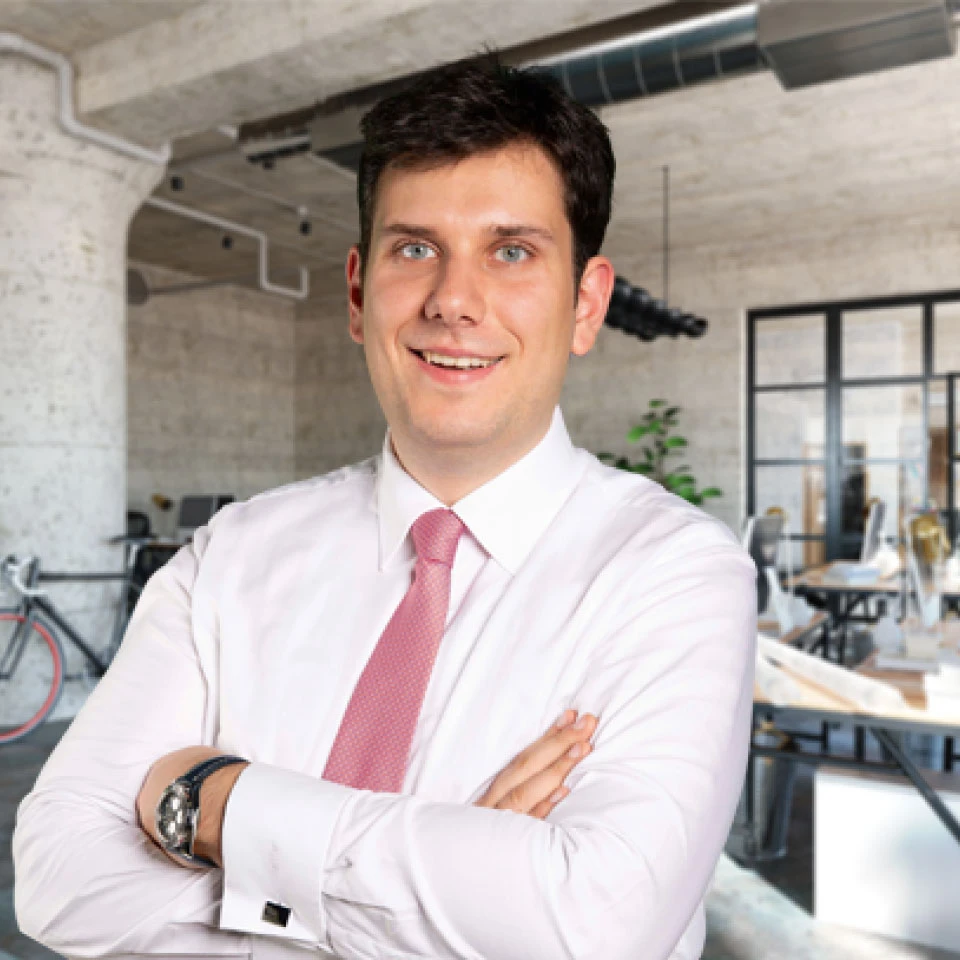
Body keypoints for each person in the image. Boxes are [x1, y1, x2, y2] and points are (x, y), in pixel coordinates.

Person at [13, 54, 756, 960]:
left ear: (586, 304)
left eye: (511, 252)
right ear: (360, 291)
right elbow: (58, 878)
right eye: (416, 249)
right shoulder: (231, 555)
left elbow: (596, 928)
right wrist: (452, 883)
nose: (454, 301)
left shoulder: (676, 573)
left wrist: (222, 805)